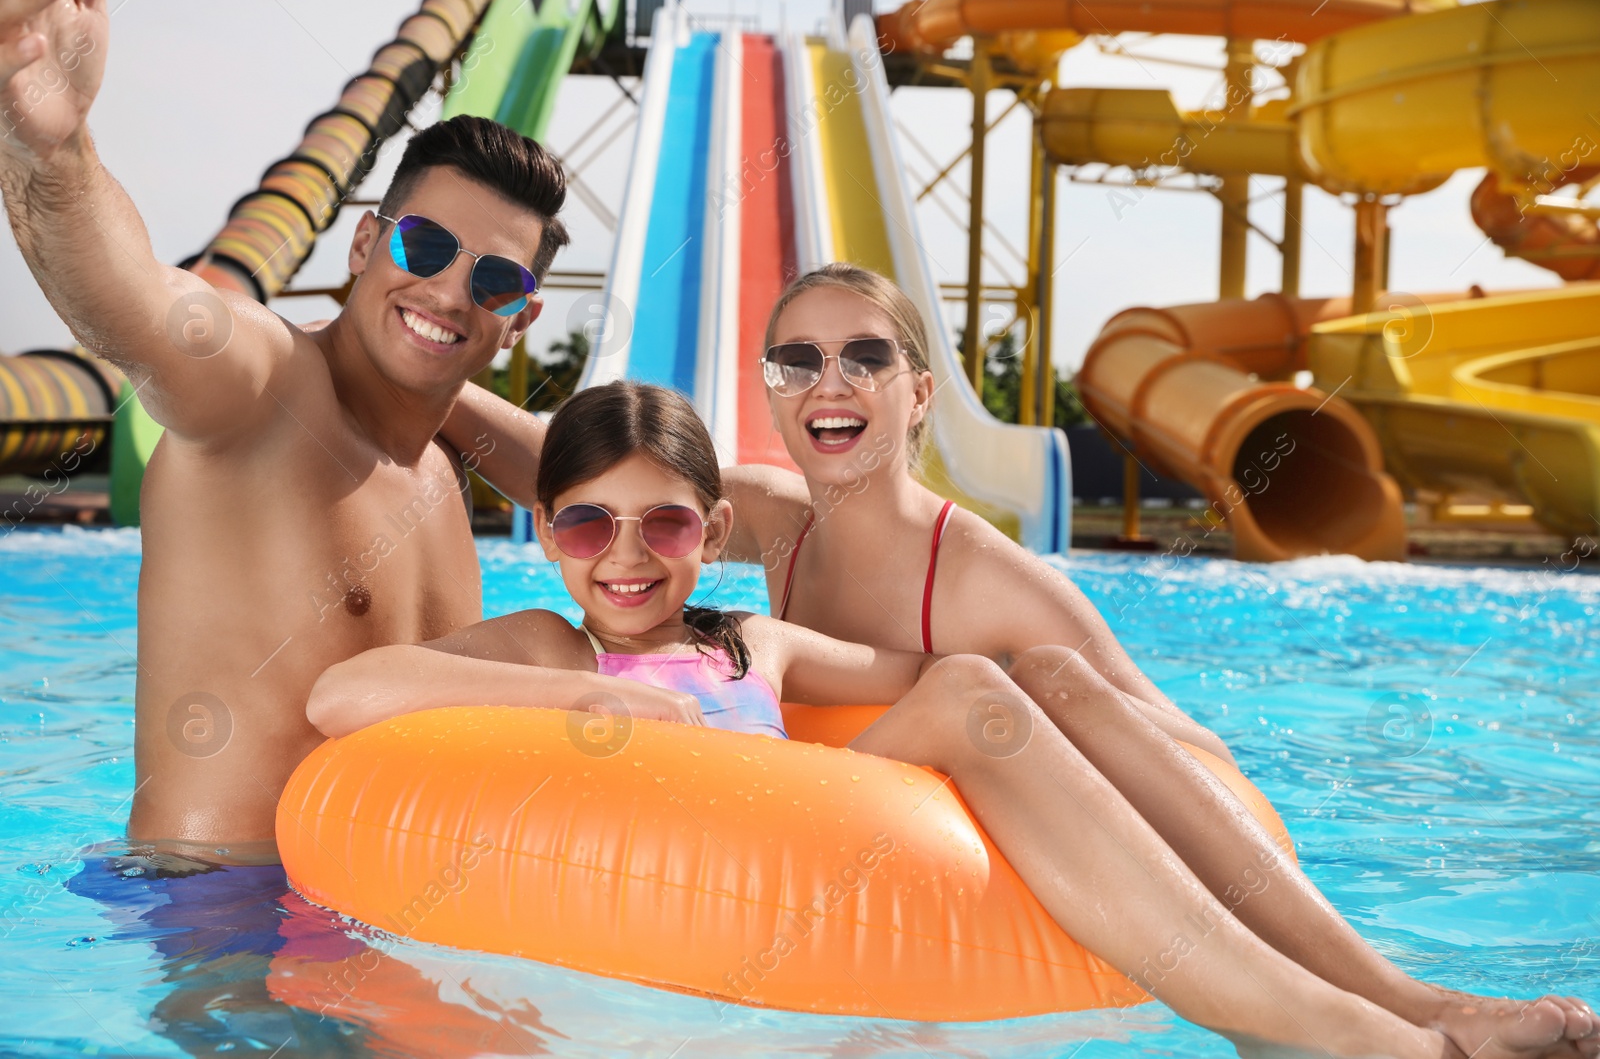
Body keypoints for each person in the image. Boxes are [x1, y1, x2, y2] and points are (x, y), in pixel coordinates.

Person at [312, 381, 1594, 1059]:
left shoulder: (754, 643)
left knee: (1014, 682)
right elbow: (343, 694)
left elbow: (958, 660)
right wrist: (596, 694)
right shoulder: (553, 640)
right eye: (589, 522)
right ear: (549, 532)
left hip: (818, 835)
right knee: (975, 693)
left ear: (711, 532)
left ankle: (1396, 995)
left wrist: (1126, 708)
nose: (628, 558)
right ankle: (1336, 1030)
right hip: (735, 874)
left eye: (670, 522)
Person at [0, 0, 581, 863]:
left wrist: (435, 387)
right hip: (217, 925)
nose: (451, 292)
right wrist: (52, 149)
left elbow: (623, 492)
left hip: (378, 916)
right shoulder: (266, 390)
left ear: (521, 320)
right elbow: (135, 304)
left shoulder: (439, 464)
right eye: (423, 248)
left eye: (495, 282)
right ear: (362, 245)